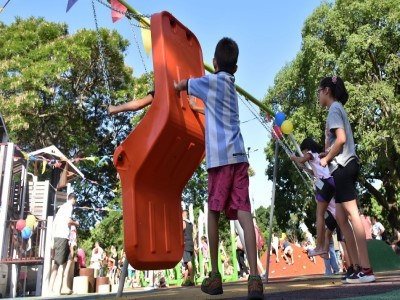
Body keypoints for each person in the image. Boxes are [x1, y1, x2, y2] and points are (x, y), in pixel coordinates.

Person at [175, 37, 263, 299]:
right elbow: (217, 113)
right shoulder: (231, 86)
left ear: (214, 63)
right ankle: (255, 279)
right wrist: (198, 108)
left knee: (213, 212)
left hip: (220, 160)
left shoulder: (209, 82)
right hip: (239, 157)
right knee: (245, 214)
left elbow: (181, 84)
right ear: (235, 69)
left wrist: (172, 88)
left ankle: (215, 275)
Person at [318, 75, 375, 283]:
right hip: (341, 166)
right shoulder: (337, 108)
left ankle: (366, 269)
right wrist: (327, 155)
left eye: (318, 90)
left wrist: (328, 159)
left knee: (352, 215)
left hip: (343, 166)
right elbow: (339, 141)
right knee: (341, 219)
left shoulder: (333, 109)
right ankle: (355, 267)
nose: (318, 95)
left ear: (326, 91)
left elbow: (340, 139)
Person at [291, 137, 335, 257]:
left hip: (325, 183)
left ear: (306, 148)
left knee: (319, 215)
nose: (304, 153)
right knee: (323, 214)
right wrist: (305, 168)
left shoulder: (310, 154)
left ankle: (319, 246)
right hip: (330, 182)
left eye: (303, 151)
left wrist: (295, 158)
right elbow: (315, 172)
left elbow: (302, 159)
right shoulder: (318, 156)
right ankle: (323, 249)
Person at [48, 193, 79, 295]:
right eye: (75, 200)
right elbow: (68, 221)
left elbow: (55, 223)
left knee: (67, 260)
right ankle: (50, 288)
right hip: (62, 236)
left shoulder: (62, 208)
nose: (75, 202)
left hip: (60, 236)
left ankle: (64, 287)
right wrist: (76, 223)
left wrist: (53, 239)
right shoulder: (69, 206)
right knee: (57, 263)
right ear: (73, 199)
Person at [181, 209, 195, 286]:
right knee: (186, 263)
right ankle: (184, 281)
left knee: (189, 262)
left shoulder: (183, 222)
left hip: (185, 243)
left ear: (183, 214)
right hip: (191, 244)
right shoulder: (191, 223)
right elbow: (195, 233)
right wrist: (193, 240)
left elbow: (180, 232)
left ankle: (192, 281)